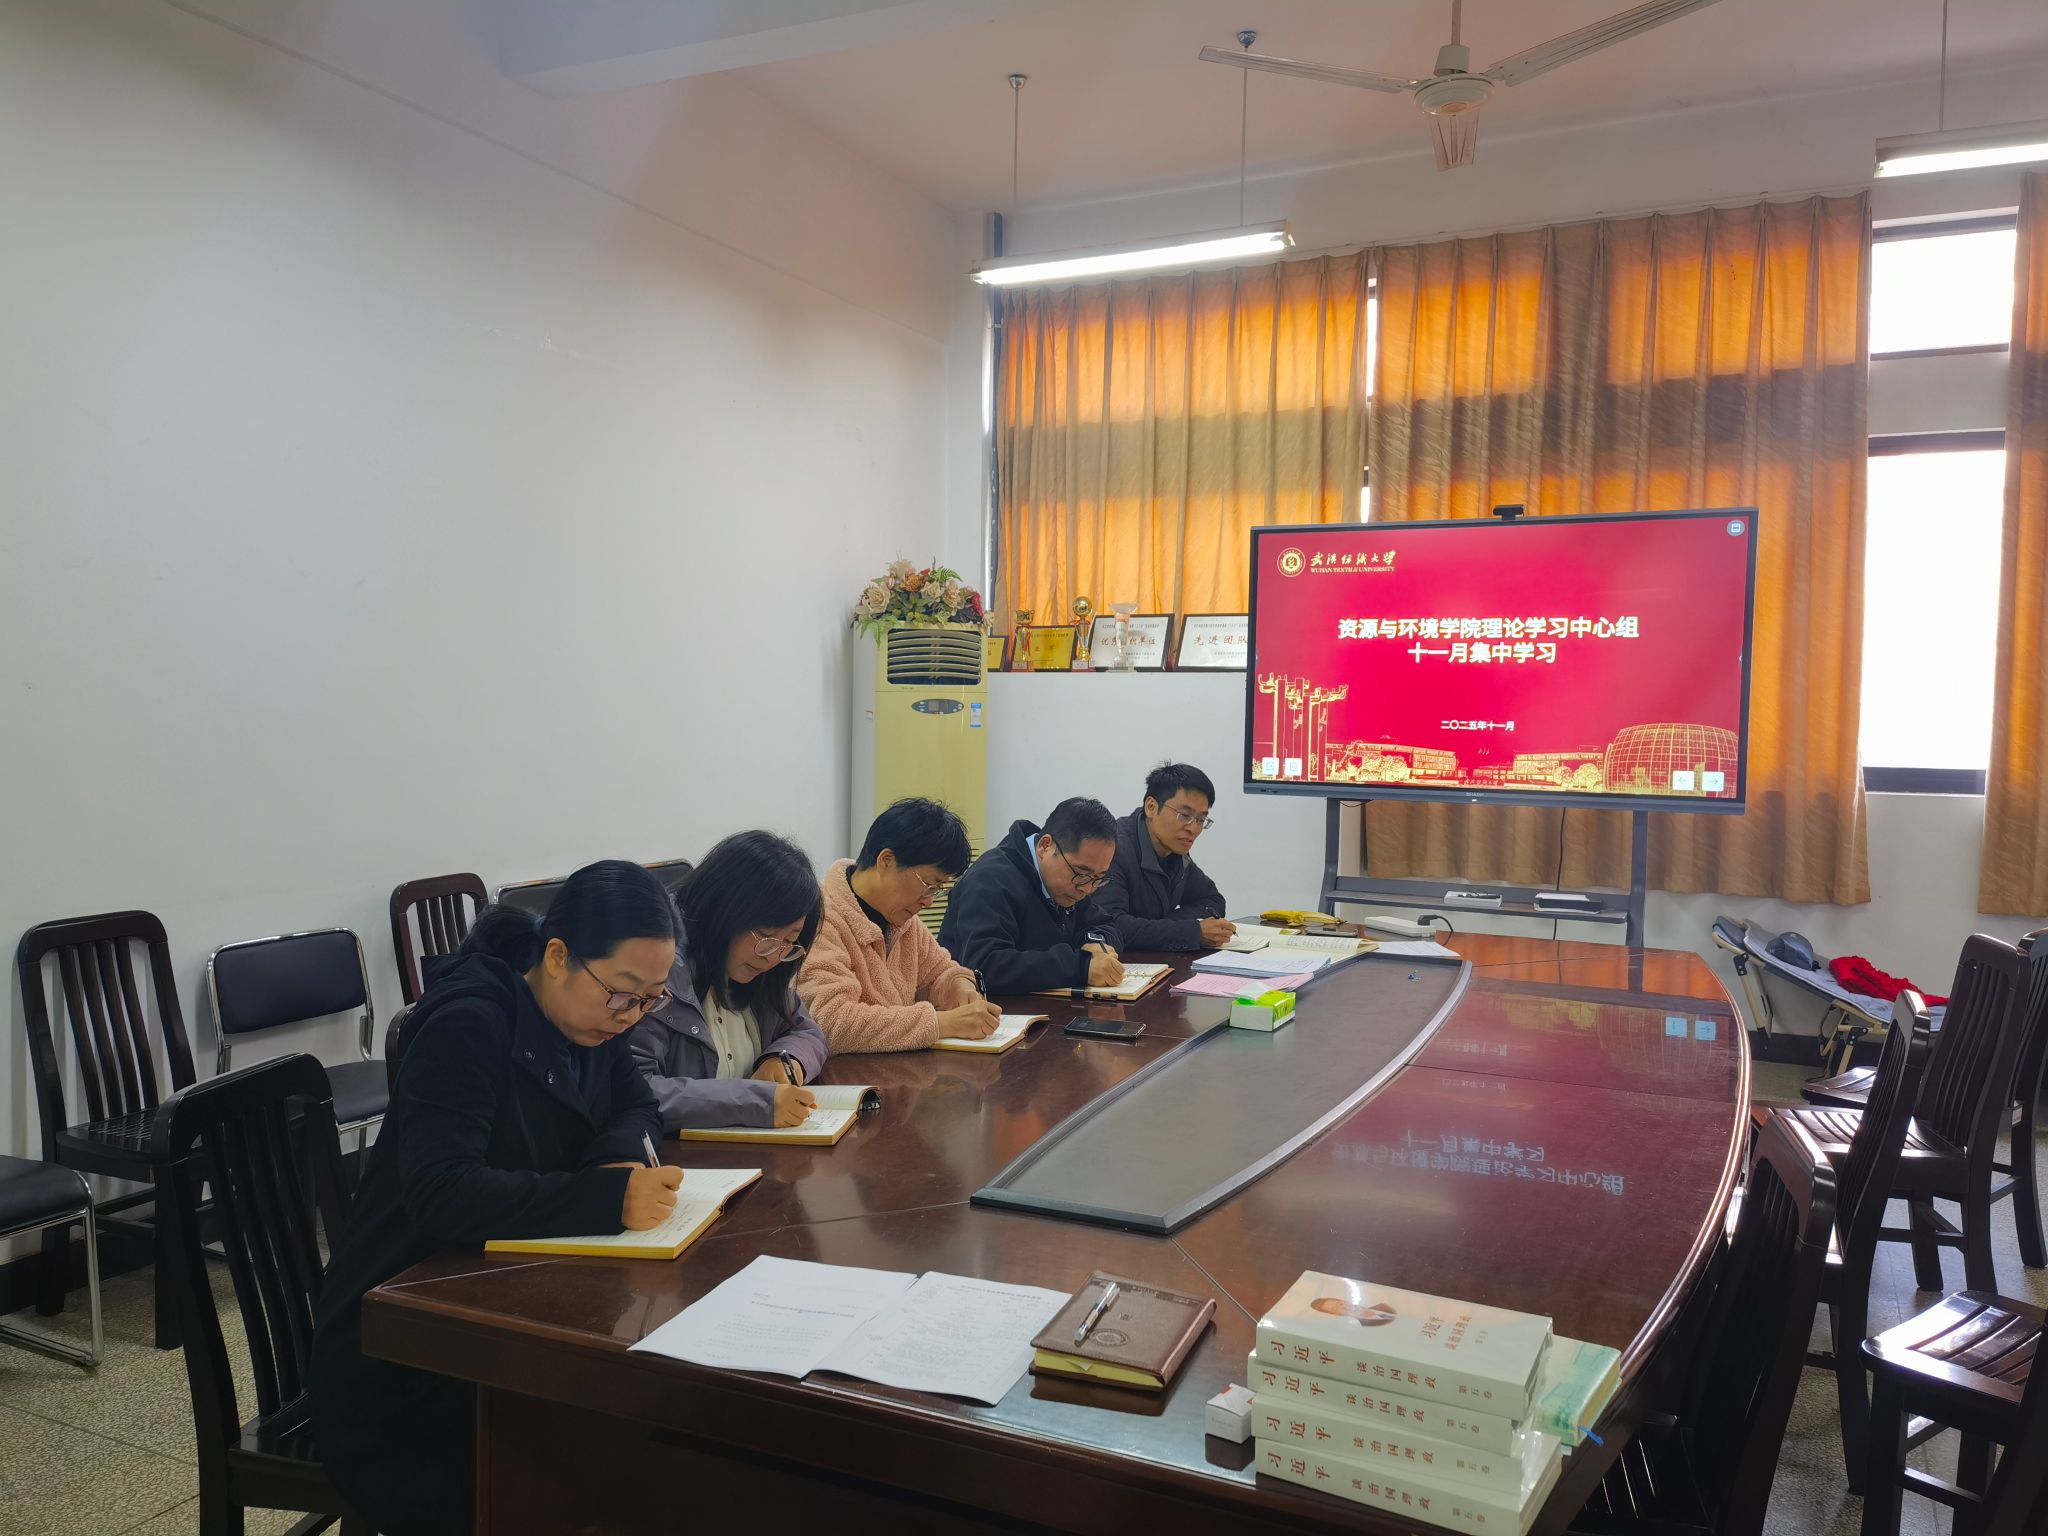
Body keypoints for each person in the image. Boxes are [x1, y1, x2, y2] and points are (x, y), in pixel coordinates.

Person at [311, 861, 683, 1536]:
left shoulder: (592, 1022)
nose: (630, 1016)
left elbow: (636, 1106)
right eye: (622, 994)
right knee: (611, 1471)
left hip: (507, 1307)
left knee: (653, 1447)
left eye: (649, 1001)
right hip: (409, 1358)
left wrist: (618, 1163)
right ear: (558, 956)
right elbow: (441, 1192)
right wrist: (604, 1199)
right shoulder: (469, 1025)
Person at [629, 830, 830, 1130]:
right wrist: (752, 1102)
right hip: (677, 1154)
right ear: (723, 910)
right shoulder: (659, 973)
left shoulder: (760, 971)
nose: (773, 957)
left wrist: (783, 1060)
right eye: (766, 936)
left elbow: (807, 1032)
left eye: (789, 941)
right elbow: (637, 1089)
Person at [799, 797, 1002, 1052]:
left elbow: (939, 971)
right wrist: (941, 1023)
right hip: (844, 1075)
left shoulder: (904, 921)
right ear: (886, 860)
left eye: (937, 889)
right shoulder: (820, 919)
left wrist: (960, 985)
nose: (929, 901)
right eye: (928, 885)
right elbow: (831, 1023)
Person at [937, 796, 1125, 995]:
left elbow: (1106, 924)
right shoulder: (990, 880)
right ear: (1045, 846)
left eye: (1098, 878)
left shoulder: (1071, 884)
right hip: (980, 1008)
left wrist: (1095, 945)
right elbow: (985, 966)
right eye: (1082, 874)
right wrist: (1080, 966)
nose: (1087, 889)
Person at [1096, 762, 1233, 952]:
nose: (1193, 829)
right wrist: (1190, 931)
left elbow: (1213, 901)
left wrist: (1165, 924)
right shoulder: (1113, 850)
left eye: (1201, 820)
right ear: (1151, 807)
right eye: (1185, 815)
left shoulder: (1175, 851)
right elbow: (1111, 925)